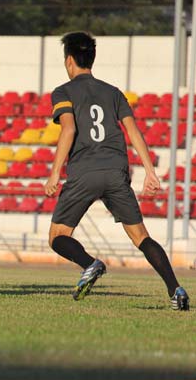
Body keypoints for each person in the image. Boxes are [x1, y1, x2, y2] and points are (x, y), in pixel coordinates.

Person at [44, 31, 190, 311]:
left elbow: (70, 129)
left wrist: (54, 173)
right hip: (116, 170)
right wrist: (150, 171)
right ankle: (176, 290)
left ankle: (90, 264)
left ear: (70, 60)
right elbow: (133, 131)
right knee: (141, 237)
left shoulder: (63, 91)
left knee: (58, 236)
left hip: (84, 171)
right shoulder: (113, 92)